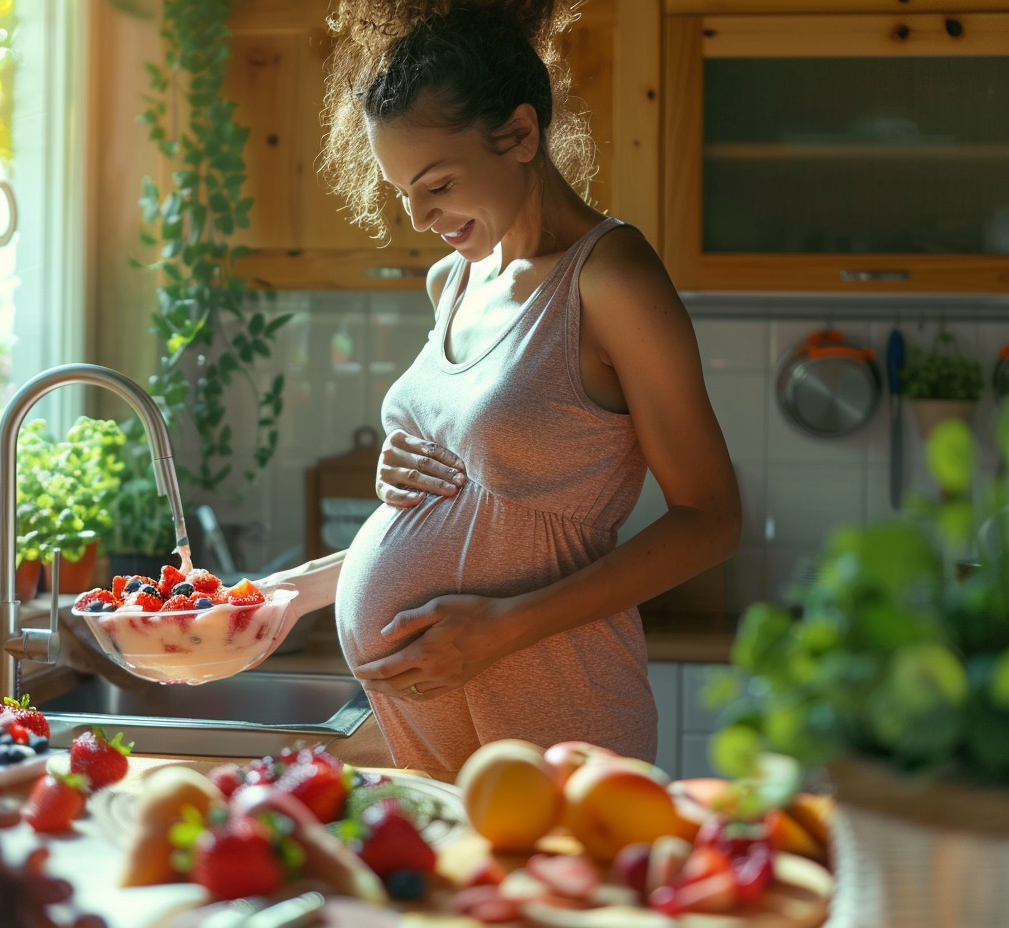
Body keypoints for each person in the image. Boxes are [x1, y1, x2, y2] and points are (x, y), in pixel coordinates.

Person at [262, 0, 741, 779]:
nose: (419, 216)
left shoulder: (611, 278)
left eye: (438, 183)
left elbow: (711, 520)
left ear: (520, 135)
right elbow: (486, 510)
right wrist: (297, 593)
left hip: (556, 705)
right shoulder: (453, 280)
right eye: (401, 192)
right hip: (431, 728)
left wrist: (499, 631)